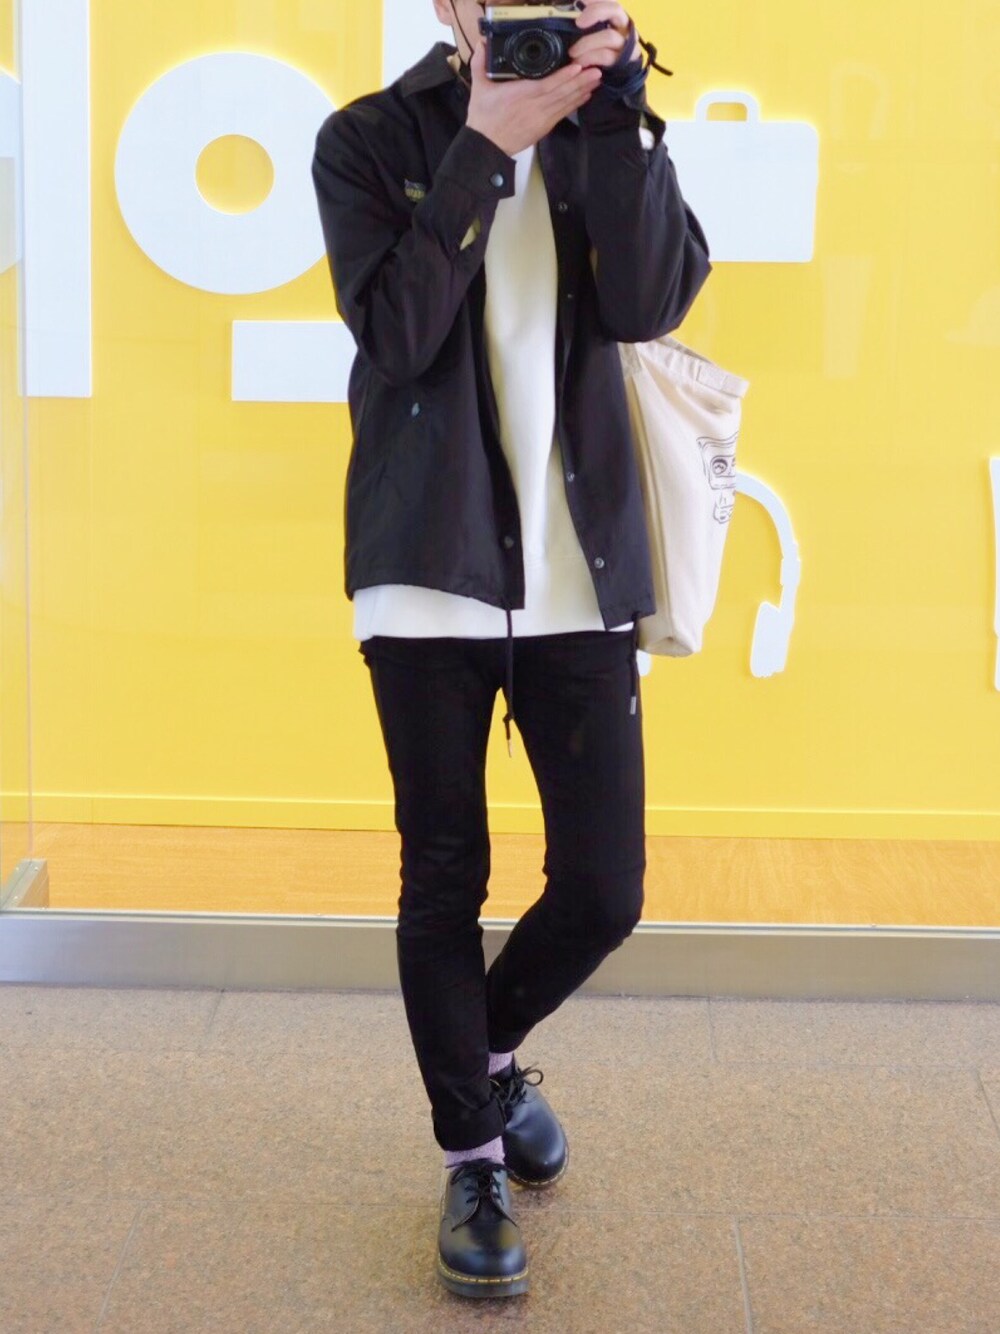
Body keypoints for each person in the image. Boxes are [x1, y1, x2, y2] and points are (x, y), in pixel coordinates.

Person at [311, 0, 711, 1300]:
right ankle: (472, 1156)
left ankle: (478, 1065)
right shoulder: (371, 139)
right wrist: (484, 144)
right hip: (427, 569)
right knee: (445, 873)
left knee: (604, 887)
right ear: (450, 6)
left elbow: (647, 303)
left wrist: (617, 105)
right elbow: (397, 334)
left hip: (577, 567)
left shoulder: (613, 122)